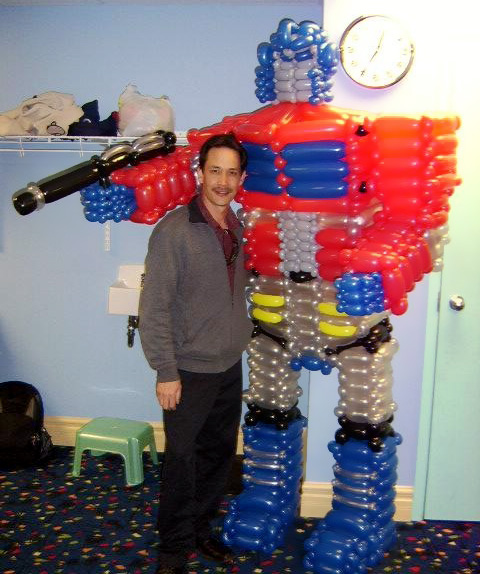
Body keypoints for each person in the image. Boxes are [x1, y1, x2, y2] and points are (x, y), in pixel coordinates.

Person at [138, 133, 253, 574]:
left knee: (217, 455)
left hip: (229, 364)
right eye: (215, 170)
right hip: (188, 370)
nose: (223, 181)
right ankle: (172, 549)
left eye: (231, 173)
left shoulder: (238, 227)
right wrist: (166, 371)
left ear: (241, 178)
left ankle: (201, 530)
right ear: (200, 173)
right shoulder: (174, 231)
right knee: (182, 461)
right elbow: (154, 306)